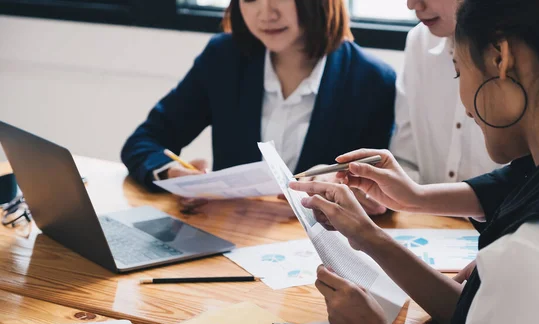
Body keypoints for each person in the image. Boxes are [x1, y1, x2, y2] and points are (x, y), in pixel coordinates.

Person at [290, 0, 539, 324]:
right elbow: (486, 318)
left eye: (458, 71)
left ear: (500, 59)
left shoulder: (533, 252)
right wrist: (368, 237)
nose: (465, 106)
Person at [121, 0, 395, 214]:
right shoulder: (223, 58)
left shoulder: (372, 80)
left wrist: (350, 188)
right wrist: (174, 174)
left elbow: (384, 198)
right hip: (229, 240)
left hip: (319, 258)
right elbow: (143, 142)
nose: (266, 13)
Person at [392, 0, 501, 183]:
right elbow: (405, 160)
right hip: (423, 211)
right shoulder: (418, 42)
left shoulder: (525, 52)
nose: (412, 5)